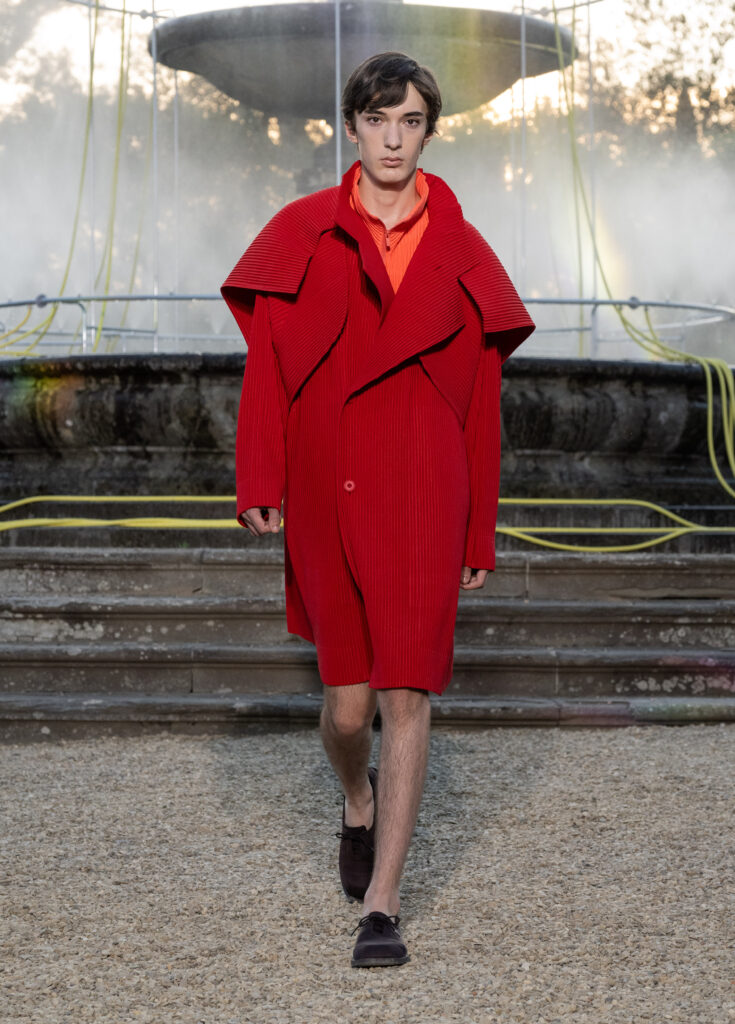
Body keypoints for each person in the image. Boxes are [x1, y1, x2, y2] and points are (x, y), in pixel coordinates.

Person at [221, 51, 535, 968]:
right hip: (327, 484)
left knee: (407, 693)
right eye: (376, 120)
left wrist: (477, 527)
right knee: (349, 709)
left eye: (410, 122)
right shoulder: (301, 231)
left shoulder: (463, 249)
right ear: (351, 127)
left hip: (425, 485)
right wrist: (259, 477)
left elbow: (480, 402)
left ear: (428, 131)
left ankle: (383, 906)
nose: (392, 139)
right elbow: (267, 368)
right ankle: (355, 799)